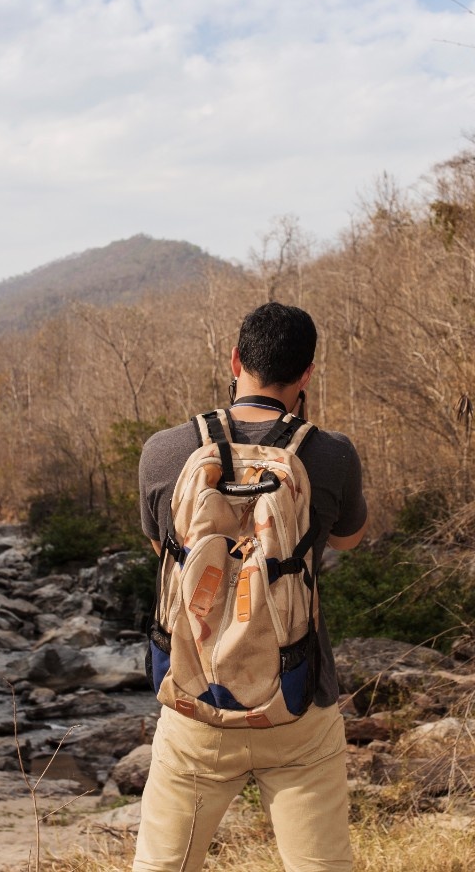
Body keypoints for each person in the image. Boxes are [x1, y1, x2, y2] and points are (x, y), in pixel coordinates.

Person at [133, 301, 368, 872]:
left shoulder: (164, 452)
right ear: (306, 374)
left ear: (235, 359)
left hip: (196, 706)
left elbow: (160, 546)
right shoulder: (331, 455)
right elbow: (348, 540)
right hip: (296, 703)